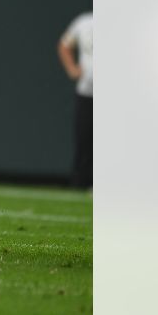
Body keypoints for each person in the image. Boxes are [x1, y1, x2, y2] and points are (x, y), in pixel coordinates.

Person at [58, 12, 93, 188]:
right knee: (84, 139)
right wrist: (72, 69)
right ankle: (80, 184)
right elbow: (64, 45)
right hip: (86, 92)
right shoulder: (84, 21)